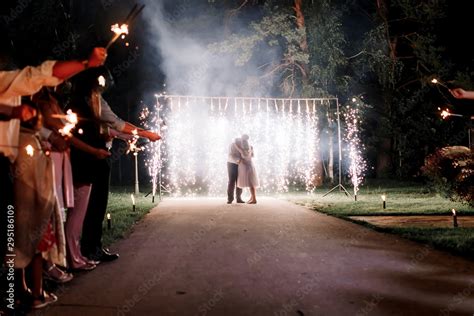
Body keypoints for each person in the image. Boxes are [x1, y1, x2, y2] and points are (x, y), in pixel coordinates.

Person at [0, 45, 107, 310]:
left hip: (9, 167)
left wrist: (86, 62)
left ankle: (19, 293)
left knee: (15, 234)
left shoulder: (10, 85)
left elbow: (40, 74)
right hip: (13, 167)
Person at [235, 134, 259, 204]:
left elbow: (235, 145)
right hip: (251, 164)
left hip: (245, 167)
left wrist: (241, 160)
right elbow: (252, 156)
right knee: (251, 182)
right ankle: (252, 198)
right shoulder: (251, 147)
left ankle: (254, 199)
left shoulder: (241, 148)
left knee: (251, 183)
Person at [227, 137, 244, 204]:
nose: (240, 143)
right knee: (231, 181)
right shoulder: (232, 145)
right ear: (236, 142)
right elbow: (232, 154)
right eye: (239, 142)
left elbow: (243, 154)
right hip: (231, 164)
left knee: (239, 182)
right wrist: (239, 160)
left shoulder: (241, 146)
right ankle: (230, 199)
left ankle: (239, 198)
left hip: (239, 164)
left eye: (240, 142)